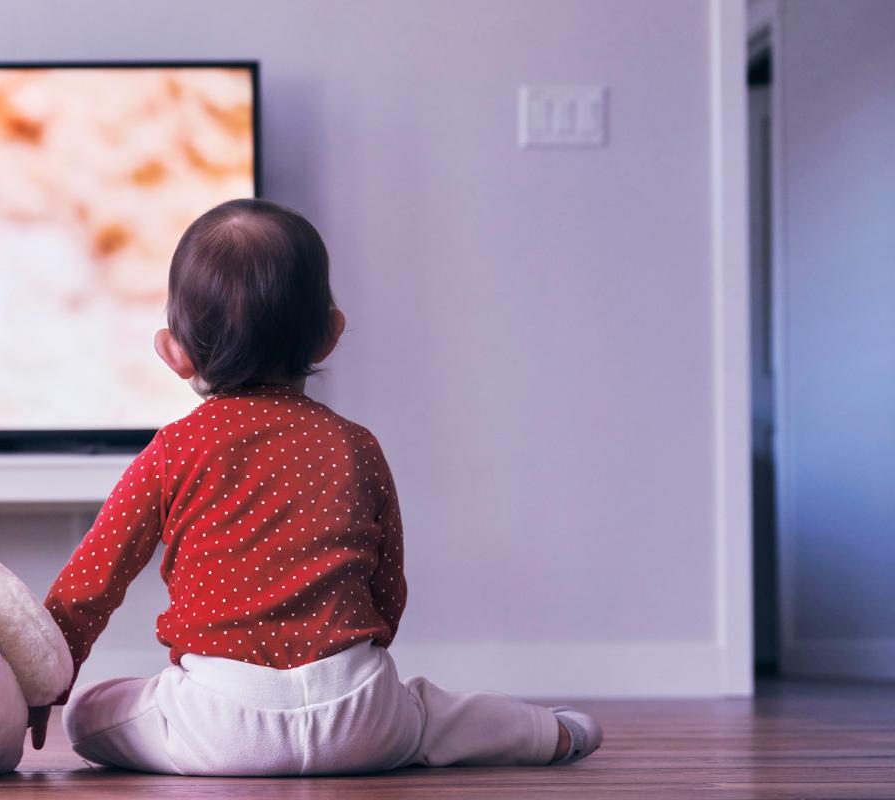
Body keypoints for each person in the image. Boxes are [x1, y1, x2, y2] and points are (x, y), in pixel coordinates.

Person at [30, 198, 600, 776]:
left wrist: (43, 687)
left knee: (90, 715)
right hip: (361, 718)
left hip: (219, 727)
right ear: (330, 335)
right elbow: (387, 587)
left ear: (172, 352)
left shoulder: (173, 450)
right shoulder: (355, 444)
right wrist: (352, 674)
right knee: (430, 713)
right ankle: (552, 733)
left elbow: (88, 587)